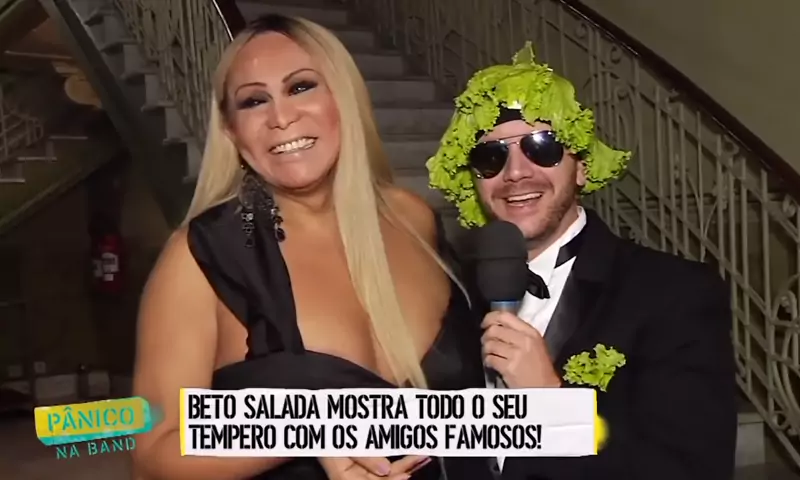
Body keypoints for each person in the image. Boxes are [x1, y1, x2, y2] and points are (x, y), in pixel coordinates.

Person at [131, 14, 493, 480]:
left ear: (344, 98)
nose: (281, 118)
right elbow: (153, 450)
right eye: (254, 101)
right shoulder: (199, 258)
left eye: (301, 87)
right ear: (232, 131)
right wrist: (309, 431)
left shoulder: (413, 218)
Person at [426, 42, 737, 480]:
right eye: (490, 156)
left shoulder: (673, 293)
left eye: (542, 146)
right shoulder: (450, 296)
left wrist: (551, 403)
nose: (515, 172)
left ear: (582, 166)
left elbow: (690, 469)